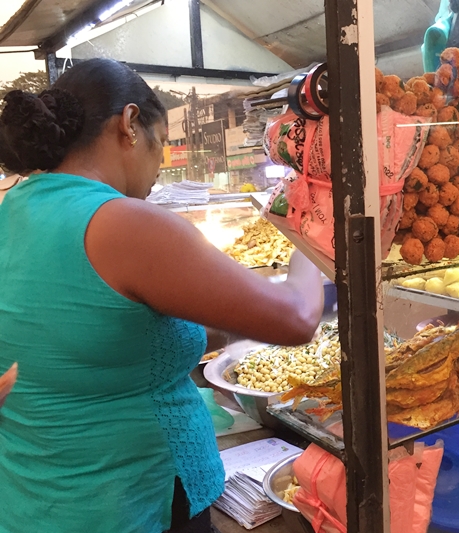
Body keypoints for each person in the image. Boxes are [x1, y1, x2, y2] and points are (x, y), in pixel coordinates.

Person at [0, 59, 324, 533]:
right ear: (130, 124)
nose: (160, 163)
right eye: (163, 140)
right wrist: (312, 230)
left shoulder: (13, 210)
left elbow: (98, 329)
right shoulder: (122, 222)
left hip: (32, 502)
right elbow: (297, 317)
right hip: (130, 505)